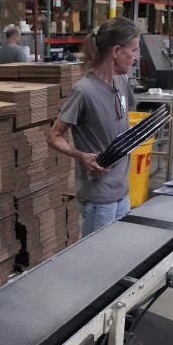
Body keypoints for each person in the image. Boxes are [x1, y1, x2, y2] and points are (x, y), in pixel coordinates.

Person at [47, 17, 140, 236]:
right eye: (133, 50)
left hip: (122, 192)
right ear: (116, 51)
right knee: (96, 264)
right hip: (99, 199)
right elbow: (54, 136)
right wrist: (80, 155)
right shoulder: (84, 91)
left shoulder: (122, 82)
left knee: (120, 256)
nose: (135, 57)